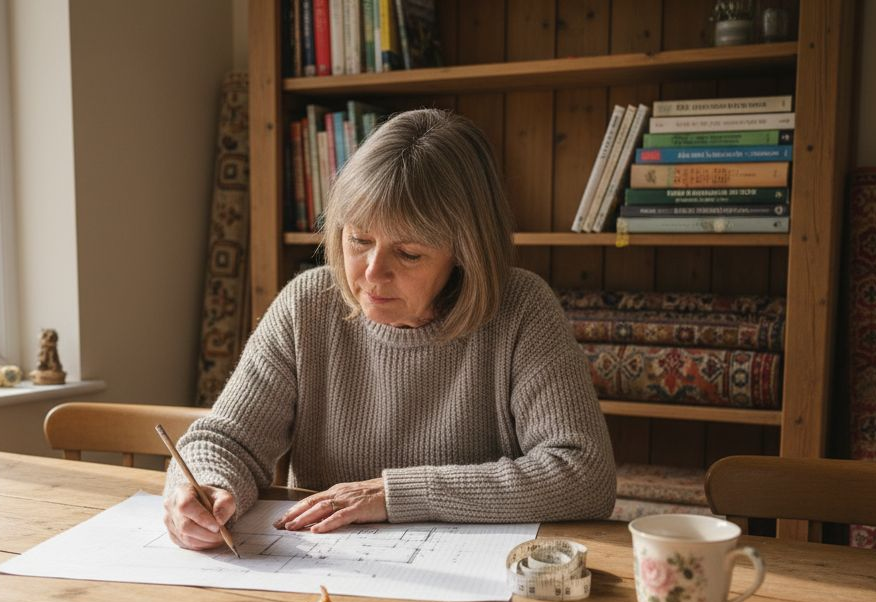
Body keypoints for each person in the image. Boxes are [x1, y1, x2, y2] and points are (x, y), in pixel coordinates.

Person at [163, 108, 615, 550]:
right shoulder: (307, 304)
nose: (372, 273)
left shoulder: (521, 309)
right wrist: (204, 488)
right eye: (359, 240)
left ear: (465, 252)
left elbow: (583, 475)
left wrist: (390, 494)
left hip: (474, 583)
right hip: (325, 570)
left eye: (409, 253)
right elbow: (227, 440)